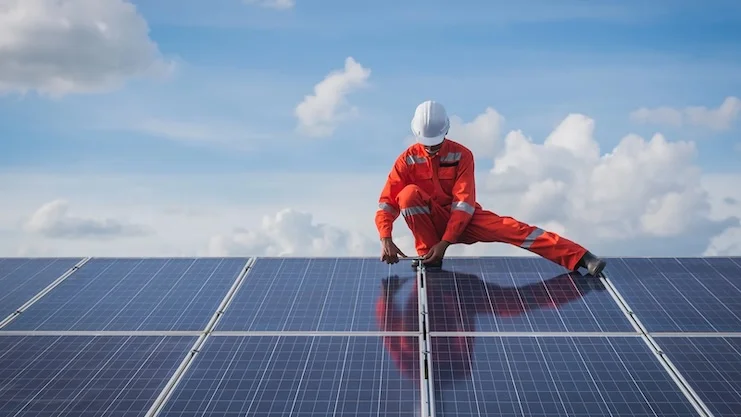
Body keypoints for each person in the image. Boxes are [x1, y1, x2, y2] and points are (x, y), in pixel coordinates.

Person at [375, 100, 607, 276]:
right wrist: (385, 237)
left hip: (464, 220)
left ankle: (580, 257)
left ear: (446, 131)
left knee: (515, 230)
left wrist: (445, 242)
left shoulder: (462, 155)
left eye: (436, 143)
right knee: (407, 195)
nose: (432, 149)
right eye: (427, 144)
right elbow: (387, 201)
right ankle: (429, 258)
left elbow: (463, 203)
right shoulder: (406, 160)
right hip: (431, 219)